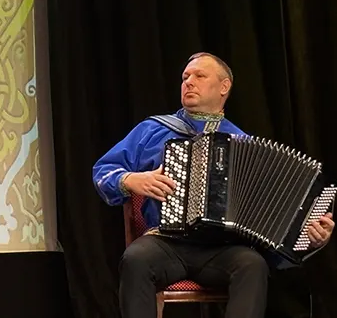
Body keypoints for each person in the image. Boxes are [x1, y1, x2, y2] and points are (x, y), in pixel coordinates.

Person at [92, 52, 335, 318]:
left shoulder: (245, 144)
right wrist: (130, 179)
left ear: (224, 87)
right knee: (135, 259)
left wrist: (308, 238)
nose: (188, 82)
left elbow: (273, 223)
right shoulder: (152, 130)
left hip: (222, 249)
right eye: (185, 77)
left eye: (199, 76)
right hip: (166, 242)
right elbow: (103, 171)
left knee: (252, 265)